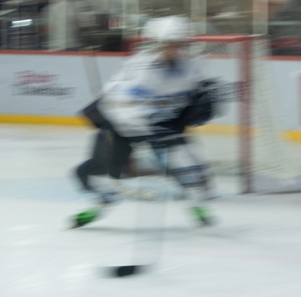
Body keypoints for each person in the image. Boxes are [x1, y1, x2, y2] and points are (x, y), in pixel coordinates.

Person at [72, 15, 219, 229]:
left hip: (164, 125)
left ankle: (197, 206)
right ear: (156, 43)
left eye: (179, 44)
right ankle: (101, 203)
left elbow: (203, 91)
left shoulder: (192, 66)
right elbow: (121, 106)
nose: (174, 50)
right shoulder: (138, 68)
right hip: (123, 127)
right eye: (168, 44)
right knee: (95, 172)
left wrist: (205, 101)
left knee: (190, 168)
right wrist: (147, 128)